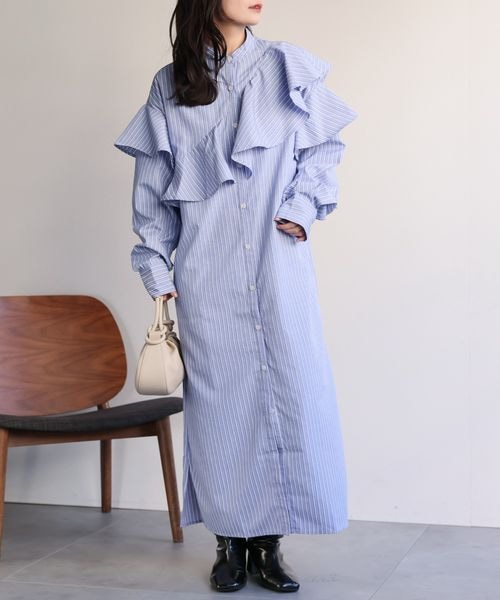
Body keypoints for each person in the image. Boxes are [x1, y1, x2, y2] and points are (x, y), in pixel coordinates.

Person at [114, 0, 358, 593]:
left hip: (280, 270)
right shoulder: (170, 85)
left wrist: (302, 206)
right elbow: (152, 189)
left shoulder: (287, 68)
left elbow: (324, 147)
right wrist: (156, 268)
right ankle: (229, 543)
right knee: (220, 411)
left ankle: (268, 545)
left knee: (290, 396)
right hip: (207, 276)